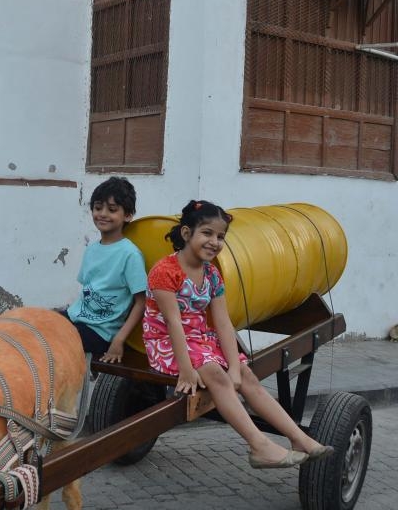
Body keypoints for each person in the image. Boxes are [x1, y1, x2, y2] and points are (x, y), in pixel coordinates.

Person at [142, 200, 334, 469]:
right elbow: (173, 323)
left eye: (220, 236)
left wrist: (234, 366)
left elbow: (223, 324)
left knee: (246, 375)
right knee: (215, 373)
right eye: (207, 233)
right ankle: (259, 446)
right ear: (186, 234)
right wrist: (186, 371)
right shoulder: (165, 271)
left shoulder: (212, 275)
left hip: (199, 338)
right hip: (165, 342)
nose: (214, 242)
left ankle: (298, 438)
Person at [62, 177, 147, 366]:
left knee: (54, 342)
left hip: (102, 331)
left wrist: (118, 341)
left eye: (112, 209)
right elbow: (87, 289)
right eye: (98, 207)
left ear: (128, 215)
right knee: (34, 325)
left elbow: (141, 302)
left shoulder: (130, 254)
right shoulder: (92, 249)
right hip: (77, 317)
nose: (102, 214)